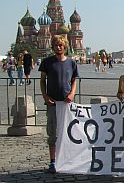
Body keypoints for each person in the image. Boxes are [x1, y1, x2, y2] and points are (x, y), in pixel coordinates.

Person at [39, 35, 79, 173]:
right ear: (53, 47)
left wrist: (72, 94)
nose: (58, 47)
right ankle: (52, 161)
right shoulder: (47, 62)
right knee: (53, 133)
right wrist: (45, 96)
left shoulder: (71, 62)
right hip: (52, 103)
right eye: (56, 45)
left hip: (67, 103)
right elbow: (42, 80)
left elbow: (74, 80)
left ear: (65, 46)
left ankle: (67, 160)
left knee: (69, 132)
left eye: (61, 45)